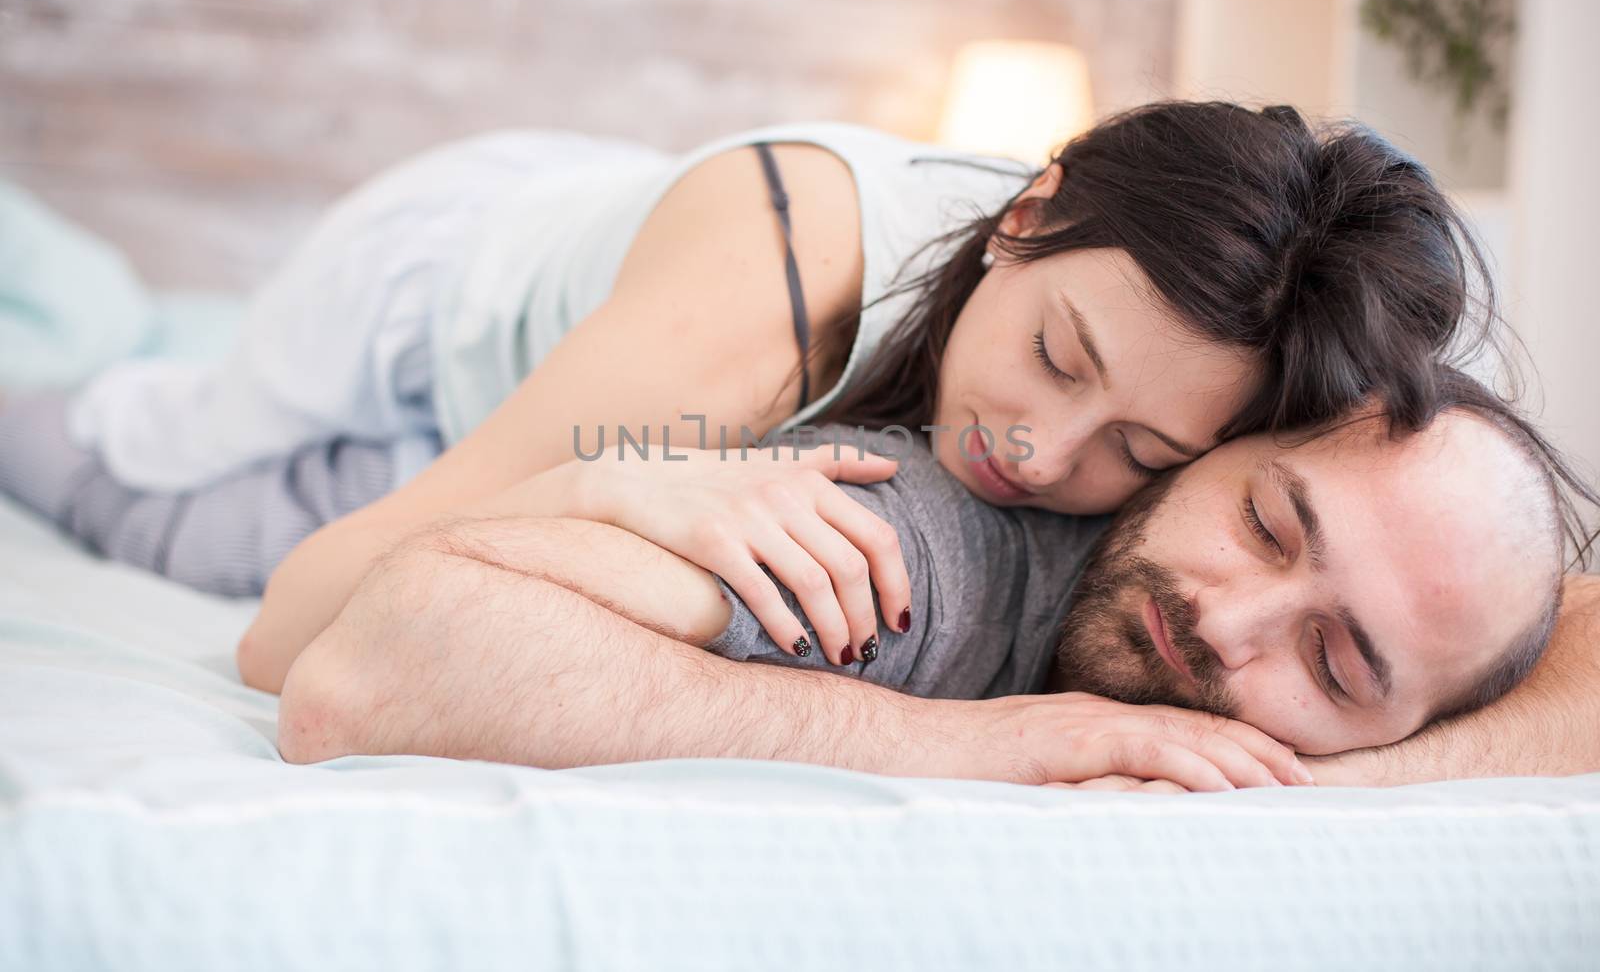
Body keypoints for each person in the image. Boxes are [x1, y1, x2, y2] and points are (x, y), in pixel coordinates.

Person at [2, 103, 1485, 684]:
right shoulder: (760, 316)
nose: (1038, 453)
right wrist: (613, 475)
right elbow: (286, 640)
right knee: (145, 474)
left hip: (585, 328)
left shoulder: (1188, 375)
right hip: (432, 299)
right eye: (1055, 358)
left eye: (1141, 449)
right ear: (1027, 215)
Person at [269, 377, 1599, 791]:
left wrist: (1323, 787)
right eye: (1262, 522)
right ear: (1228, 435)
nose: (1225, 622)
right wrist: (985, 744)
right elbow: (365, 667)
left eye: (1337, 663)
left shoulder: (1448, 595)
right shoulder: (928, 561)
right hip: (429, 379)